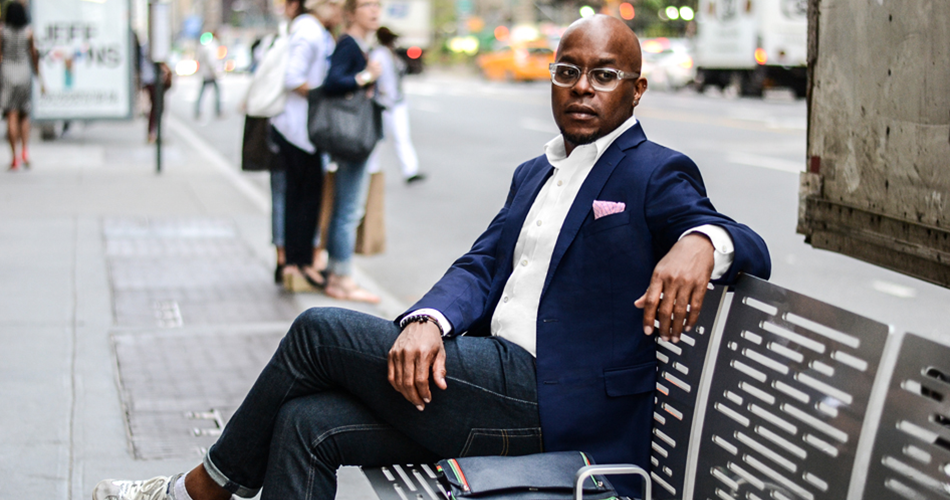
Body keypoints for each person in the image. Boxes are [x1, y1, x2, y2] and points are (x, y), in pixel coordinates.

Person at [92, 15, 770, 500]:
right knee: (305, 425)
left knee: (318, 331)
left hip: (552, 403)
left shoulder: (652, 173)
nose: (583, 87)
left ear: (636, 90)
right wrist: (428, 321)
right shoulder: (534, 174)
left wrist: (701, 241)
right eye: (568, 72)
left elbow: (744, 241)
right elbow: (478, 265)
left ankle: (202, 489)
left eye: (603, 74)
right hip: (487, 386)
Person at [270, 0, 343, 292]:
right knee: (303, 199)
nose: (339, 12)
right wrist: (324, 95)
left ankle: (296, 264)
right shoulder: (309, 31)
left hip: (299, 130)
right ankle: (297, 265)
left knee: (300, 198)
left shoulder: (311, 30)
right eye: (335, 5)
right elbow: (292, 78)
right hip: (296, 131)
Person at [319, 0, 384, 303]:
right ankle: (342, 279)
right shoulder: (349, 44)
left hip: (350, 136)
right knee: (348, 210)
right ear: (351, 12)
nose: (374, 11)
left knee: (346, 208)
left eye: (378, 5)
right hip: (350, 136)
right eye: (366, 5)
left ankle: (337, 273)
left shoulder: (356, 43)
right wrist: (366, 76)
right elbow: (332, 82)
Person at [365, 26, 425, 184]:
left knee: (402, 137)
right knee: (377, 139)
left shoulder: (392, 54)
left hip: (397, 101)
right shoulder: (379, 54)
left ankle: (410, 170)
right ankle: (371, 170)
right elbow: (379, 78)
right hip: (384, 104)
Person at [0, 1, 40, 170]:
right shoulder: (28, 32)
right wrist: (38, 74)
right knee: (25, 113)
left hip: (8, 72)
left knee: (11, 113)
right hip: (24, 72)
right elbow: (33, 55)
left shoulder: (2, 32)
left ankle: (14, 157)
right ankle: (25, 151)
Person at [194, 32, 222, 119]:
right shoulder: (212, 46)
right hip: (210, 73)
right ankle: (218, 111)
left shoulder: (205, 45)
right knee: (217, 93)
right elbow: (212, 61)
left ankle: (198, 111)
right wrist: (215, 72)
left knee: (202, 93)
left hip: (206, 73)